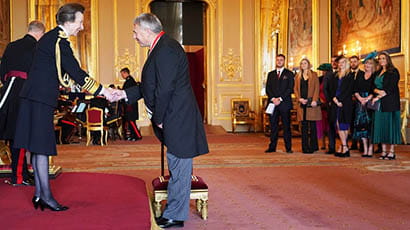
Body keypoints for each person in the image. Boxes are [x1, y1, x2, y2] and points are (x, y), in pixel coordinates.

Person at [110, 13, 209, 228]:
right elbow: (151, 86)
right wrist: (123, 94)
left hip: (177, 117)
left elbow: (164, 89)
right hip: (175, 116)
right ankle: (174, 211)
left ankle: (175, 216)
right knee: (177, 165)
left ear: (147, 30)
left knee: (180, 167)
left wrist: (160, 117)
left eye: (135, 32)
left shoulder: (165, 49)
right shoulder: (160, 48)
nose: (134, 37)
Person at [13, 3, 112, 211]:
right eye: (80, 22)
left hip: (34, 97)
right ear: (68, 21)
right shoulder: (59, 41)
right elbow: (75, 71)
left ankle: (40, 195)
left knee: (39, 148)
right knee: (42, 148)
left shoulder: (51, 38)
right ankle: (46, 197)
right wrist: (102, 90)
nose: (82, 27)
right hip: (39, 99)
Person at [0, 21, 45, 186]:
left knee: (14, 135)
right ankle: (18, 176)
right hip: (26, 94)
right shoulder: (38, 48)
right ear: (41, 34)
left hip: (8, 93)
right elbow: (39, 74)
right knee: (21, 136)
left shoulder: (11, 46)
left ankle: (23, 174)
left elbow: (2, 71)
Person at [371, 51, 401, 160]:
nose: (381, 60)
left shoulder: (393, 72)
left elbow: (390, 88)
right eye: (380, 59)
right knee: (381, 127)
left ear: (388, 59)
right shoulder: (377, 72)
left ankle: (391, 152)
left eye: (383, 58)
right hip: (380, 105)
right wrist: (376, 91)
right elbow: (372, 86)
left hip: (390, 104)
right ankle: (383, 151)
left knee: (390, 128)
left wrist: (377, 96)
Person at [265, 54, 295, 153]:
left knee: (286, 126)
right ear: (275, 61)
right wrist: (273, 98)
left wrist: (280, 98)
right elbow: (268, 89)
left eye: (281, 60)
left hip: (284, 104)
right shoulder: (271, 74)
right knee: (273, 126)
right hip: (273, 103)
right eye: (277, 60)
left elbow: (290, 88)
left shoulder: (289, 74)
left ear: (284, 61)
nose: (279, 62)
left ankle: (288, 148)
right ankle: (272, 147)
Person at [293, 58, 321, 153]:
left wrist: (314, 100)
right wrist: (299, 99)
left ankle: (313, 146)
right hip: (302, 103)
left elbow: (317, 88)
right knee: (304, 126)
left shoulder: (314, 75)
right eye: (301, 63)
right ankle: (305, 147)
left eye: (305, 63)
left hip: (311, 103)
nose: (303, 65)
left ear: (309, 64)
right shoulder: (297, 76)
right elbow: (295, 89)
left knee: (312, 126)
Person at [328, 56, 355, 157]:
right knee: (338, 124)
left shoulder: (350, 75)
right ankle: (344, 146)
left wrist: (340, 100)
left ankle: (344, 146)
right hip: (336, 102)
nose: (341, 64)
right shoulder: (335, 75)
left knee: (344, 125)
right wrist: (334, 99)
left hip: (345, 103)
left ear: (346, 63)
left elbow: (349, 90)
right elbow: (331, 89)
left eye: (343, 62)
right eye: (339, 62)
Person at [353, 52, 377, 157]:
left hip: (370, 101)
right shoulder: (360, 74)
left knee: (370, 125)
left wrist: (367, 99)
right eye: (366, 64)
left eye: (370, 64)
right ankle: (365, 148)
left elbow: (374, 90)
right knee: (361, 125)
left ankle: (371, 147)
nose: (367, 66)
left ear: (373, 65)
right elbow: (355, 88)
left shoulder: (375, 76)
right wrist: (360, 99)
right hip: (360, 102)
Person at [120, 67, 142, 141]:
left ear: (126, 73)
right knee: (130, 121)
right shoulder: (130, 81)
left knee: (131, 121)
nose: (122, 76)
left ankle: (137, 136)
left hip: (130, 105)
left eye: (122, 74)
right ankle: (133, 136)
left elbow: (126, 92)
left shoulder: (129, 81)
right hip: (130, 104)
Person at [323, 56, 340, 154]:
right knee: (331, 125)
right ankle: (331, 147)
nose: (334, 63)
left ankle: (344, 146)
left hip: (342, 103)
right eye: (332, 61)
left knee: (343, 124)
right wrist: (329, 100)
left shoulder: (344, 73)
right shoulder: (328, 74)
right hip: (331, 103)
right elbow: (325, 89)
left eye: (335, 61)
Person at [349, 55, 365, 151]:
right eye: (351, 62)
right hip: (350, 102)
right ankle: (354, 143)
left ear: (358, 62)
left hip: (360, 101)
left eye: (355, 61)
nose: (353, 63)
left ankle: (362, 144)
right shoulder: (347, 74)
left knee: (360, 122)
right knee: (351, 122)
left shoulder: (363, 74)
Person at [316, 63, 332, 150]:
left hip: (329, 103)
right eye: (322, 71)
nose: (323, 72)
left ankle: (330, 143)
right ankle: (322, 144)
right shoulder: (319, 79)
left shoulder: (332, 78)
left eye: (325, 71)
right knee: (321, 125)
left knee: (329, 125)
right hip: (321, 104)